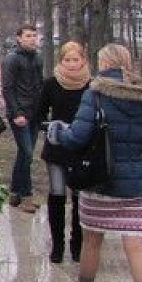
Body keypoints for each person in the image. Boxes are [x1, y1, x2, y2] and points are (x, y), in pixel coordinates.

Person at [46, 44, 142, 282]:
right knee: (137, 248)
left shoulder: (96, 93)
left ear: (104, 62)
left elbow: (78, 136)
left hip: (100, 181)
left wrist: (58, 132)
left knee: (92, 241)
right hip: (135, 184)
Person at [36, 40, 91, 263]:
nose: (71, 64)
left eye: (75, 60)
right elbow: (39, 113)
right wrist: (51, 126)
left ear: (83, 61)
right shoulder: (51, 84)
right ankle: (57, 245)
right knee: (57, 193)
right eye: (67, 60)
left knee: (78, 196)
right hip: (57, 146)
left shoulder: (91, 86)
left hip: (81, 148)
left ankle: (77, 244)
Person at [2, 25, 44, 213]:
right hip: (19, 113)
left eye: (34, 35)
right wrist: (17, 113)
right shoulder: (12, 59)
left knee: (25, 154)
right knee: (26, 153)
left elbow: (40, 85)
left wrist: (42, 110)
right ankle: (26, 195)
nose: (32, 39)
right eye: (28, 36)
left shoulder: (37, 58)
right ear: (19, 38)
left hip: (35, 112)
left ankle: (15, 192)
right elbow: (8, 89)